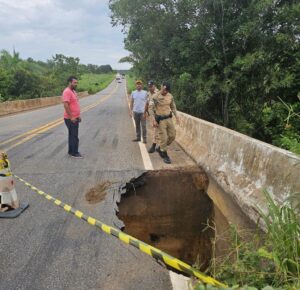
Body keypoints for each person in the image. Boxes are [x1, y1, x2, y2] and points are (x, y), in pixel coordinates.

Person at [149, 82, 180, 164]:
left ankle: (160, 148)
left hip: (169, 119)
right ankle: (164, 154)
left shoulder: (170, 96)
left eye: (167, 90)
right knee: (164, 138)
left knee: (172, 135)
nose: (165, 91)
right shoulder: (155, 96)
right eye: (164, 89)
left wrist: (176, 116)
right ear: (161, 87)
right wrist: (153, 120)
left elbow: (173, 106)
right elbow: (151, 109)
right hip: (160, 120)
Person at [62, 76, 83, 158]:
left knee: (72, 135)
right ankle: (75, 153)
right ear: (70, 82)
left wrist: (78, 116)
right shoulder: (67, 91)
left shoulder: (73, 91)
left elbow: (75, 104)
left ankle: (71, 151)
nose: (76, 84)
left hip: (75, 117)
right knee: (74, 136)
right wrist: (71, 117)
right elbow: (66, 105)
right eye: (74, 82)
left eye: (76, 82)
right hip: (70, 118)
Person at [145, 80, 159, 153]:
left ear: (154, 86)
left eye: (151, 86)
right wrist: (145, 112)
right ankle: (156, 146)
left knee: (157, 131)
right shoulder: (148, 94)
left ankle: (154, 146)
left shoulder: (158, 93)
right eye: (149, 87)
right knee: (155, 130)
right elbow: (147, 103)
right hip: (152, 115)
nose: (150, 88)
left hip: (159, 114)